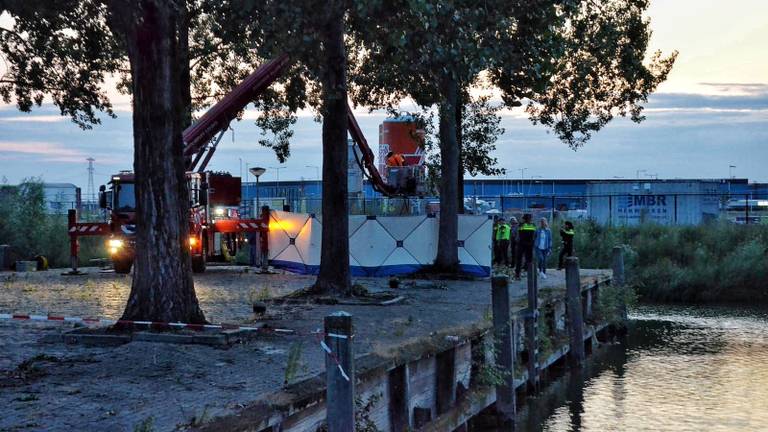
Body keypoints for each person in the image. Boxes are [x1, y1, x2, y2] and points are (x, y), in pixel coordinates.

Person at [515, 214, 536, 280]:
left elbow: (534, 235)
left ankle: (521, 273)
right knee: (524, 259)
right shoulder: (531, 225)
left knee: (525, 259)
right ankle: (520, 274)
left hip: (525, 244)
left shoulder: (523, 224)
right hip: (525, 244)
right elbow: (534, 234)